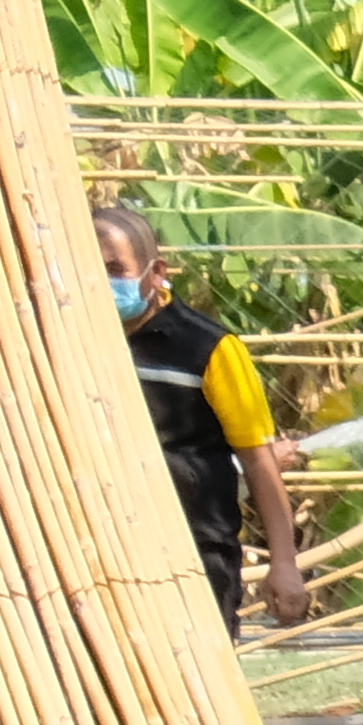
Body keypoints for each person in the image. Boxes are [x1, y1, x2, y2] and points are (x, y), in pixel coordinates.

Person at [94, 205, 312, 630]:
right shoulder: (61, 343)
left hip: (194, 552)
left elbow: (259, 460)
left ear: (156, 272)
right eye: (92, 270)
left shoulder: (210, 349)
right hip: (97, 551)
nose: (105, 283)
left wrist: (283, 564)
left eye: (116, 269)